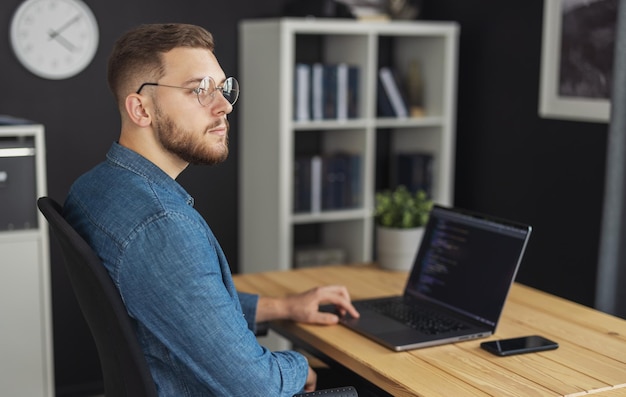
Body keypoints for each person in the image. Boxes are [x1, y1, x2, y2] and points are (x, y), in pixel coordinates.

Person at [63, 23, 360, 396]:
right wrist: (303, 369)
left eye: (222, 88)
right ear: (141, 109)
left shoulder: (96, 187)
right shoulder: (162, 225)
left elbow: (178, 300)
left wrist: (282, 306)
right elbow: (258, 386)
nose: (224, 107)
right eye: (198, 90)